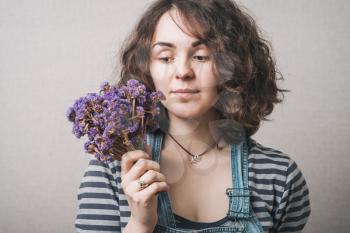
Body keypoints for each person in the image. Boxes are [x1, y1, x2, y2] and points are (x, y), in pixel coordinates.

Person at [75, 0, 311, 232]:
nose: (183, 72)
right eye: (166, 58)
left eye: (201, 56)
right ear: (148, 68)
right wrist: (140, 225)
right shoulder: (112, 169)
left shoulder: (279, 177)